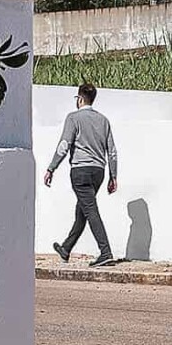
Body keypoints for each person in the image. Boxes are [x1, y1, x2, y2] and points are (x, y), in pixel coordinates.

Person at [45, 81, 121, 266]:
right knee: (83, 211)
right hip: (99, 172)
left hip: (80, 171)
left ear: (80, 98)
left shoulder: (73, 118)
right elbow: (111, 151)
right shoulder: (104, 120)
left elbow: (64, 146)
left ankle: (105, 252)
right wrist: (113, 176)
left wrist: (51, 168)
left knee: (90, 210)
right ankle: (66, 248)